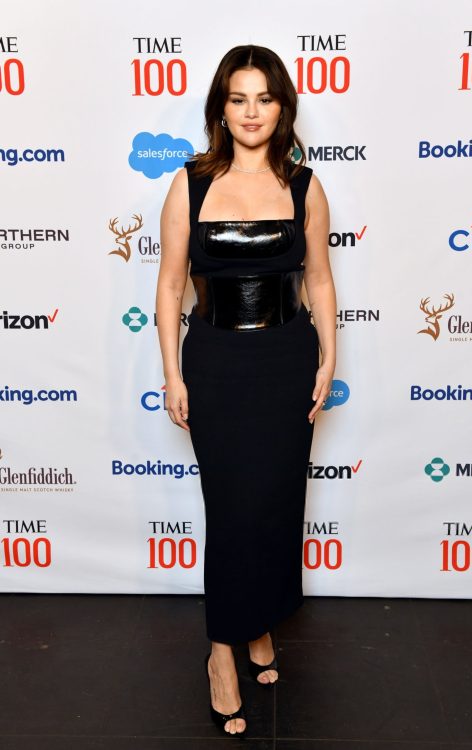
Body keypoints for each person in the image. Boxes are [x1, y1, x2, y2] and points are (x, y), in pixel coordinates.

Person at [156, 44, 337, 738]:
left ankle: (260, 621)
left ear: (282, 108)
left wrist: (328, 357)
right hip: (217, 362)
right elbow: (170, 285)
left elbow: (318, 278)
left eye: (264, 98)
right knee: (232, 509)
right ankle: (221, 652)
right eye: (239, 99)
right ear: (222, 109)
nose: (252, 112)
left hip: (287, 358)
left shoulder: (304, 185)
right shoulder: (191, 184)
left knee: (275, 504)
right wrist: (172, 374)